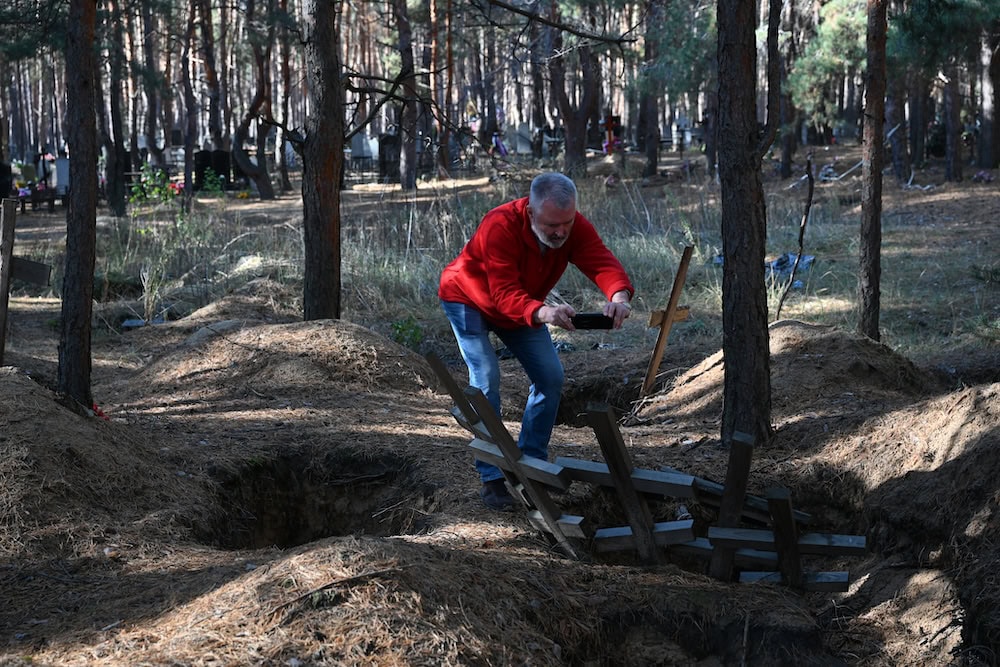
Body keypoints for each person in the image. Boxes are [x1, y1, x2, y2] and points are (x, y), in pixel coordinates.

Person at [439, 172, 634, 510]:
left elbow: (601, 261)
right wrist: (544, 313)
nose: (560, 231)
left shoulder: (573, 226)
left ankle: (531, 466)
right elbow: (502, 294)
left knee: (551, 377)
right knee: (486, 380)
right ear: (530, 212)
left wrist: (619, 296)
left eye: (567, 223)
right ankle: (492, 478)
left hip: (523, 308)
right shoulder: (499, 224)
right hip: (467, 299)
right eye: (551, 225)